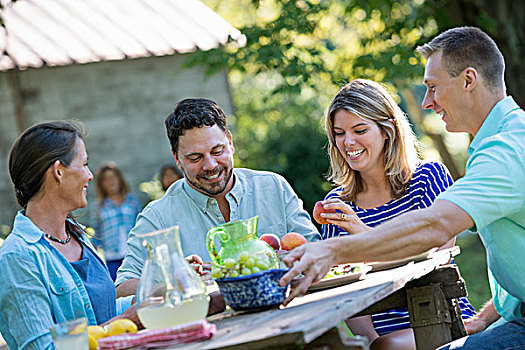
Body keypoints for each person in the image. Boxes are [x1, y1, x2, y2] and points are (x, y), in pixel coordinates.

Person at [280, 26, 525, 349]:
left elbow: (435, 226)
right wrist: (484, 318)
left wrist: (332, 250)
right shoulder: (503, 141)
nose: (426, 102)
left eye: (433, 87)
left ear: (468, 80)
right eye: (339, 133)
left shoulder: (506, 151)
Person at [318, 79, 476, 349]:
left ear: (387, 130)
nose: (348, 142)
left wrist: (364, 235)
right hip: (383, 340)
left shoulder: (428, 178)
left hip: (442, 319)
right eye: (339, 133)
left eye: (359, 129)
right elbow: (341, 289)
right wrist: (372, 341)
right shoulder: (337, 205)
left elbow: (438, 254)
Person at [115, 98, 321, 298]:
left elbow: (316, 250)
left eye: (217, 150)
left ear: (230, 143)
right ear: (177, 159)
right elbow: (123, 286)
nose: (210, 165)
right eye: (195, 158)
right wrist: (178, 282)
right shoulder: (157, 217)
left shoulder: (272, 187)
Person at [0, 121, 139, 350]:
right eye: (84, 164)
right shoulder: (17, 258)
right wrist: (123, 323)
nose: (90, 175)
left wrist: (149, 296)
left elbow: (99, 311)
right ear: (58, 172)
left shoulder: (78, 237)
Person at [91, 162, 142, 281]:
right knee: (119, 288)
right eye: (106, 179)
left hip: (133, 253)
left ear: (119, 179)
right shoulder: (99, 206)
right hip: (112, 256)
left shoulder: (132, 201)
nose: (111, 182)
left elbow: (140, 226)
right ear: (101, 184)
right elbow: (96, 232)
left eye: (113, 177)